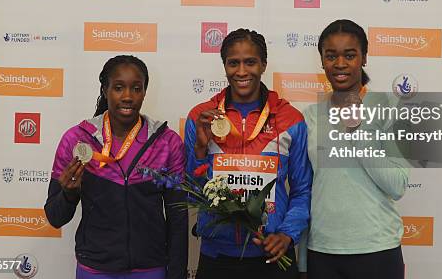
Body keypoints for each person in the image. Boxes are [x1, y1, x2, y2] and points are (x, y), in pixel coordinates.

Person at [44, 55, 188, 279]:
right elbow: (55, 217)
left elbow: (178, 218)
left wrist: (177, 274)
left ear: (145, 92)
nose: (128, 97)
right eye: (119, 88)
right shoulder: (77, 141)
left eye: (136, 88)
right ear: (105, 89)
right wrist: (69, 194)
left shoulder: (167, 143)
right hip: (95, 269)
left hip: (150, 268)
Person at [184, 28, 312, 279]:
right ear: (225, 66)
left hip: (273, 254)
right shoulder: (201, 117)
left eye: (250, 62)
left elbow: (303, 190)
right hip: (216, 256)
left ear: (263, 64)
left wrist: (287, 234)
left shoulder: (290, 119)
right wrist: (199, 150)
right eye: (233, 63)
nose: (242, 71)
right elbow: (192, 190)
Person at [298, 19, 409, 279]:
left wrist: (359, 132)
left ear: (364, 58)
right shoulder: (310, 116)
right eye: (331, 56)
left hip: (377, 250)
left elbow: (397, 185)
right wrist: (303, 259)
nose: (340, 64)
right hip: (322, 252)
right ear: (322, 60)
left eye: (349, 55)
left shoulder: (389, 109)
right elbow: (305, 189)